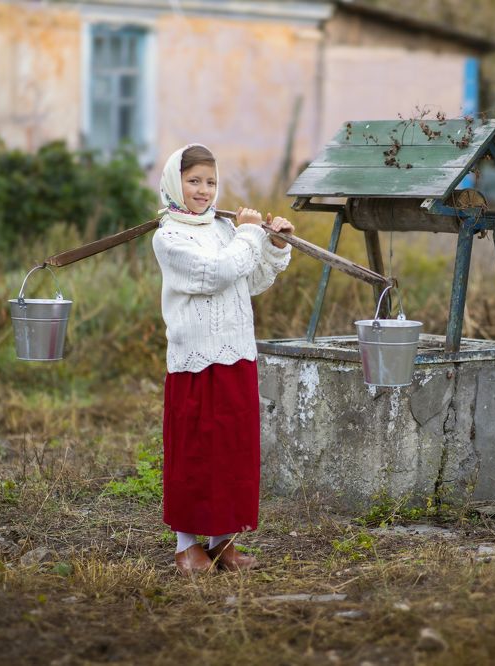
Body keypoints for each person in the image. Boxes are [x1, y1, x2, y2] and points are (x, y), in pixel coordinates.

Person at [151, 143, 293, 573]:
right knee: (196, 451)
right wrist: (250, 235)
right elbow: (215, 274)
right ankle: (185, 546)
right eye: (194, 181)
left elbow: (249, 278)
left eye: (211, 182)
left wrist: (273, 243)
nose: (203, 190)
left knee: (232, 451)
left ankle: (222, 543)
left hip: (236, 354)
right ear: (176, 182)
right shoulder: (169, 236)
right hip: (196, 360)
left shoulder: (221, 228)